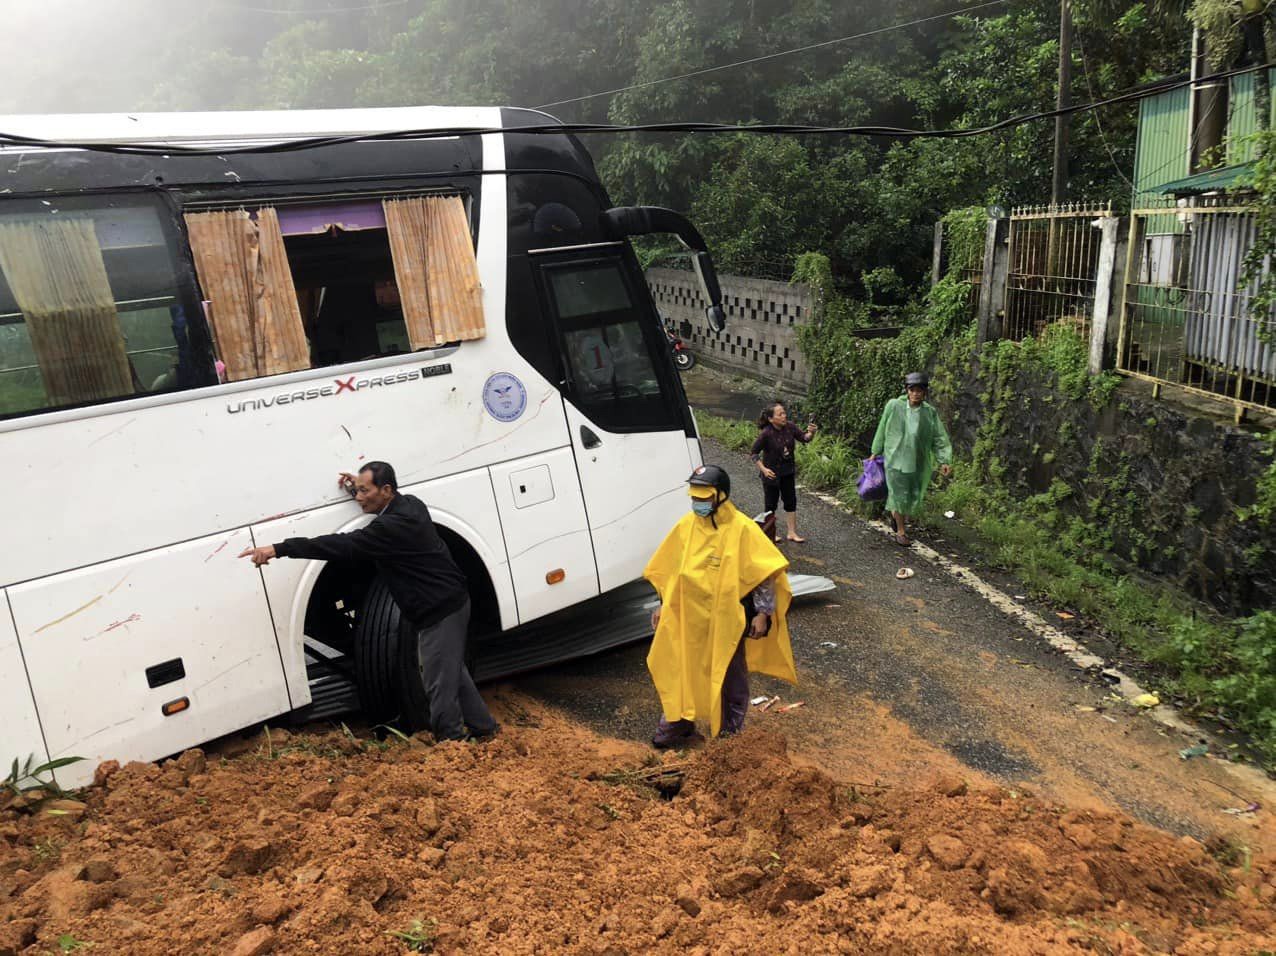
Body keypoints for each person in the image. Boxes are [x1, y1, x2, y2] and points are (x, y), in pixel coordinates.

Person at [238, 461, 498, 743]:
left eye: (365, 491)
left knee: (437, 685)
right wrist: (357, 487)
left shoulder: (390, 528)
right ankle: (485, 728)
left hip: (440, 611)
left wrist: (279, 549)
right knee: (450, 672)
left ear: (385, 490)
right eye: (357, 491)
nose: (359, 497)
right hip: (450, 603)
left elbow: (338, 545)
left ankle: (452, 746)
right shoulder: (411, 504)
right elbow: (375, 505)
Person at [644, 465, 797, 749]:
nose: (698, 504)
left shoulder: (742, 529)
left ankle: (728, 738)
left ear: (721, 496)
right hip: (688, 618)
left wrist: (763, 614)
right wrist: (662, 603)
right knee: (681, 670)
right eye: (695, 498)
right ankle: (675, 728)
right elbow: (670, 569)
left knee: (729, 677)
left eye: (704, 498)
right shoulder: (687, 526)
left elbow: (764, 574)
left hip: (726, 621)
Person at [871, 372, 953, 547]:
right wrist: (875, 451)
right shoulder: (894, 406)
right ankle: (901, 531)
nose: (916, 394)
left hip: (917, 462)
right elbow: (882, 427)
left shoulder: (929, 413)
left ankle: (895, 515)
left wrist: (944, 460)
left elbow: (939, 437)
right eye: (912, 390)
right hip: (895, 461)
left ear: (924, 393)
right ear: (907, 391)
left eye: (920, 391)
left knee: (912, 495)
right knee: (898, 493)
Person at [750, 402, 817, 543]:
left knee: (791, 501)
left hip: (787, 471)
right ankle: (770, 534)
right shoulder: (766, 433)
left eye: (784, 413)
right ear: (770, 419)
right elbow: (754, 453)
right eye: (780, 414)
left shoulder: (790, 427)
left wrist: (811, 432)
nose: (784, 416)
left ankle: (792, 533)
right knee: (770, 504)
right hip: (771, 474)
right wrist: (763, 469)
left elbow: (805, 439)